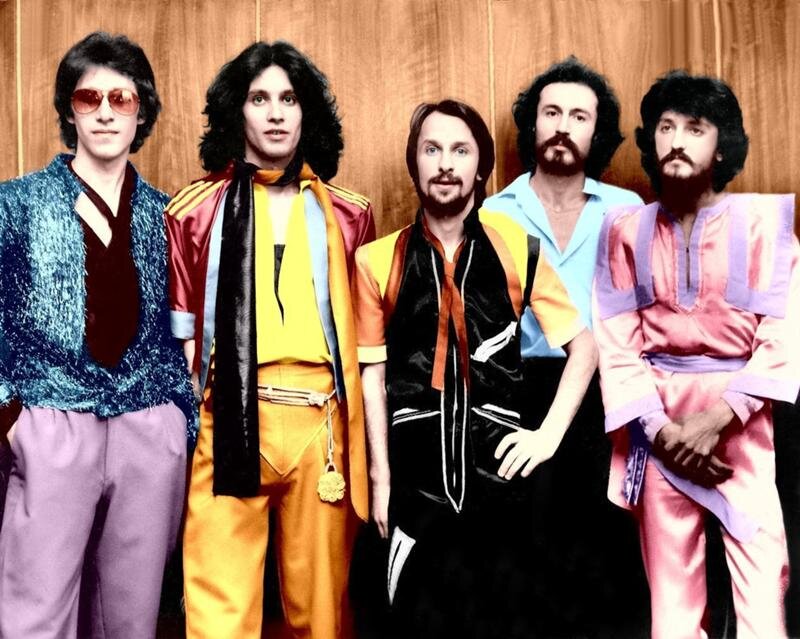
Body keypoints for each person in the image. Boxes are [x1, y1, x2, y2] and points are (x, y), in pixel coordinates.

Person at [353, 99, 596, 638]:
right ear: (414, 163)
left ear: (481, 165)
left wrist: (547, 436)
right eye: (432, 149)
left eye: (460, 151)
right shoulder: (375, 261)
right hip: (415, 489)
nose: (445, 163)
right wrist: (380, 479)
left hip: (501, 484)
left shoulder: (519, 250)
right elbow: (373, 377)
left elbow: (585, 348)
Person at [166, 41, 374, 639]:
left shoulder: (350, 214)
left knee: (323, 614)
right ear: (238, 110)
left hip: (321, 426)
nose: (276, 113)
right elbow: (180, 345)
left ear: (308, 112)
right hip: (228, 417)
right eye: (260, 99)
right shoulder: (192, 211)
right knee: (218, 614)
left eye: (289, 98)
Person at [593, 70, 800, 639]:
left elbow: (782, 339)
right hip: (655, 425)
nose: (677, 140)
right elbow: (616, 346)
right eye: (665, 127)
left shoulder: (765, 227)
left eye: (695, 127)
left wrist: (715, 421)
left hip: (742, 428)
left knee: (763, 585)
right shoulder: (624, 231)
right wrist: (664, 434)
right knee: (672, 598)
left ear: (722, 145)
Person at [0, 32, 193, 638]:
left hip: (147, 426)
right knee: (35, 615)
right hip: (51, 421)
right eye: (89, 98)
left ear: (142, 111)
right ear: (69, 110)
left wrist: (176, 418)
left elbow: (188, 326)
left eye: (121, 98)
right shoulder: (16, 204)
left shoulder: (169, 216)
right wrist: (11, 414)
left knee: (130, 620)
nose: (106, 112)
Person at [483, 56, 647, 636]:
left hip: (609, 395)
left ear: (596, 132)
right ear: (533, 124)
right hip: (521, 389)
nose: (562, 126)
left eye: (579, 116)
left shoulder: (626, 211)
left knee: (607, 554)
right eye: (551, 112)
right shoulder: (495, 212)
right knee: (523, 554)